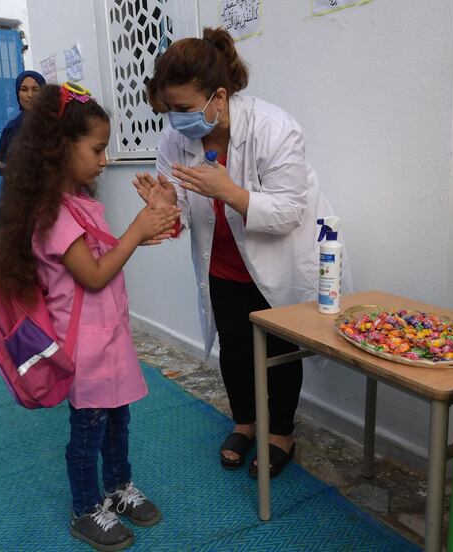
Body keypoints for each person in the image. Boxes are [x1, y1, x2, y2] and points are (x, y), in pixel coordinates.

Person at [133, 27, 351, 479]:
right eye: (168, 110)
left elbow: (290, 211)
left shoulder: (275, 128)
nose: (175, 120)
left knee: (278, 349)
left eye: (183, 109)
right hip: (224, 263)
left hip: (280, 259)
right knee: (235, 349)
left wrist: (230, 191)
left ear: (218, 95)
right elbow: (182, 210)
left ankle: (281, 433)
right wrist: (166, 211)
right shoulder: (175, 141)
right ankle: (245, 424)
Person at [0, 83, 178, 551]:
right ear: (58, 149)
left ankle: (117, 488)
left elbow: (102, 256)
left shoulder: (77, 204)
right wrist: (136, 231)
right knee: (88, 433)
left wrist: (150, 222)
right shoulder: (52, 216)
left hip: (107, 337)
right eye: (96, 149)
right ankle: (86, 508)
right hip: (84, 349)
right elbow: (92, 276)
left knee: (118, 420)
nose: (104, 159)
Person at [0, 70, 46, 174]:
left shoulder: (56, 124)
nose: (30, 95)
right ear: (18, 93)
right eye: (24, 89)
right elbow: (0, 159)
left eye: (35, 89)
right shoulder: (11, 128)